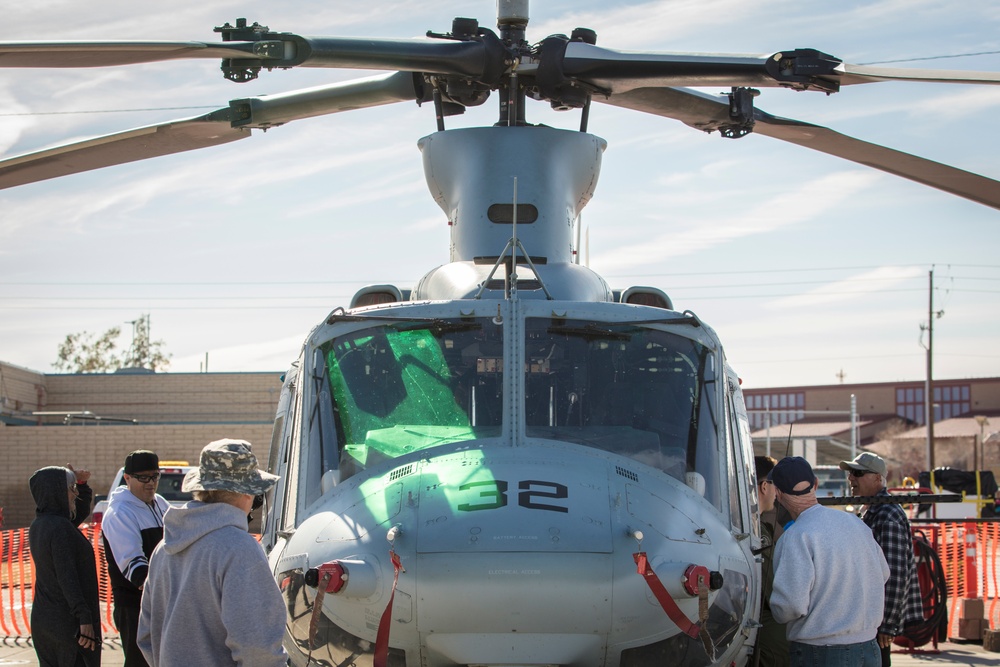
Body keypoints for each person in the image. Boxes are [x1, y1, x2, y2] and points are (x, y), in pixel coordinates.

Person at [137, 439, 287, 667]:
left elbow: (147, 635)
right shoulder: (239, 549)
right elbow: (259, 648)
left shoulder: (163, 548)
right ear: (247, 493)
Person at [768, 456, 889, 667]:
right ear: (815, 484)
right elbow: (883, 574)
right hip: (869, 647)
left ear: (777, 493)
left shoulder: (796, 536)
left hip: (820, 652)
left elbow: (790, 606)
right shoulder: (854, 523)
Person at [841, 452, 923, 666]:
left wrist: (886, 624)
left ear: (878, 478)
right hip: (870, 618)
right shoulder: (870, 510)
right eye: (851, 473)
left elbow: (895, 574)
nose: (851, 478)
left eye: (857, 473)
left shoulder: (887, 514)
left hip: (877, 622)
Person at [28, 465, 101, 667]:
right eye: (71, 488)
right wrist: (84, 617)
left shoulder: (42, 523)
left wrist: (82, 485)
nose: (74, 494)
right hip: (66, 623)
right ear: (57, 492)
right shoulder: (59, 528)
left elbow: (76, 514)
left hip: (46, 619)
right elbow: (66, 576)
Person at [101, 450, 170, 667]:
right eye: (143, 478)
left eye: (155, 476)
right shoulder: (120, 513)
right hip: (134, 606)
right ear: (127, 478)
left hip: (162, 599)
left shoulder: (160, 503)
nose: (151, 483)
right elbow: (136, 570)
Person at [753, 455, 789, 666]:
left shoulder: (758, 527)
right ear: (764, 486)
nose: (778, 492)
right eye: (777, 485)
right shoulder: (758, 533)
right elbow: (774, 591)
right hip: (766, 633)